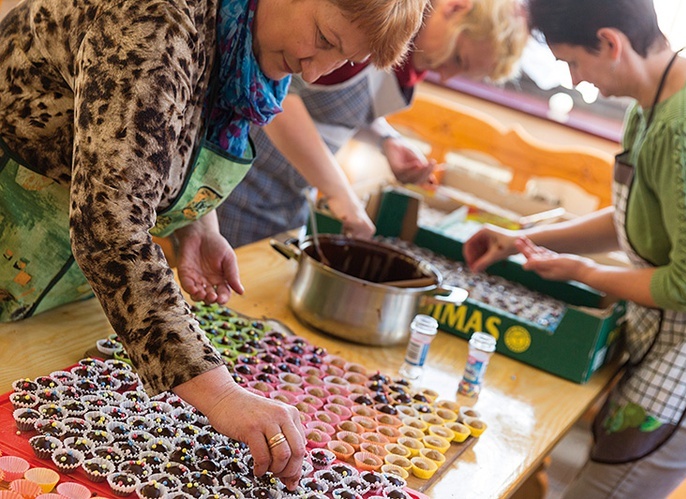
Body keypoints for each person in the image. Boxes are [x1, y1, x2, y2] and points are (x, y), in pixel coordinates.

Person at [0, 0, 426, 489]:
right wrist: (221, 395)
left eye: (342, 59)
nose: (314, 70)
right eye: (325, 39)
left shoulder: (240, 43)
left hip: (45, 283)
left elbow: (157, 136)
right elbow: (108, 227)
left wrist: (195, 222)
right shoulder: (156, 20)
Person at [463, 0, 686, 497]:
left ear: (610, 43)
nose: (575, 80)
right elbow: (633, 218)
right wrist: (523, 240)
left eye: (574, 63)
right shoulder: (660, 99)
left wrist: (584, 272)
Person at [217, 0, 528, 247]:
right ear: (456, 7)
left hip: (285, 201)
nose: (446, 76)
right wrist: (340, 192)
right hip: (238, 189)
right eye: (458, 59)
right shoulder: (361, 21)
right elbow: (279, 98)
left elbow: (333, 108)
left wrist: (385, 140)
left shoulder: (395, 57)